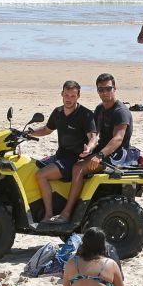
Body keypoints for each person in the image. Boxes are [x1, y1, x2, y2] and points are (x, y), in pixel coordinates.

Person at [58, 73, 133, 223]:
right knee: (72, 158)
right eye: (101, 90)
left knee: (78, 168)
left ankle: (67, 213)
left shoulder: (120, 112)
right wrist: (88, 147)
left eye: (108, 88)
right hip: (101, 150)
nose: (105, 93)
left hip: (115, 155)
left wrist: (99, 156)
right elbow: (95, 134)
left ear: (115, 88)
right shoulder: (100, 109)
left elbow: (118, 138)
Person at [26, 81, 96, 221]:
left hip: (74, 159)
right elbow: (47, 130)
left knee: (41, 175)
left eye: (72, 96)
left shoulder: (85, 114)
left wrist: (89, 147)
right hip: (60, 155)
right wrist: (29, 133)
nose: (69, 99)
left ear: (78, 97)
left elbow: (93, 136)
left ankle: (48, 215)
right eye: (66, 95)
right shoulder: (57, 112)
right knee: (32, 167)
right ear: (62, 95)